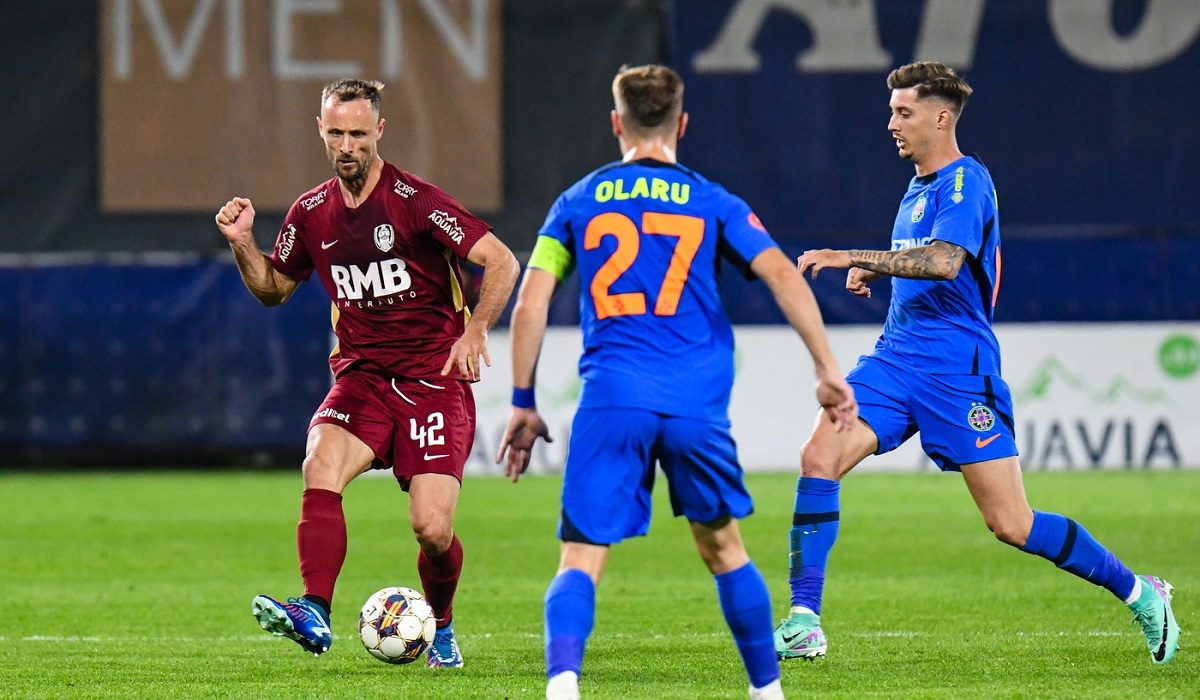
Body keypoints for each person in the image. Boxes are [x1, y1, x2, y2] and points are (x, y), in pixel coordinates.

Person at [773, 61, 1180, 666]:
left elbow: (942, 265)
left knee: (1012, 523)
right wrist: (874, 266)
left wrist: (848, 255)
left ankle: (1140, 592)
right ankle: (804, 618)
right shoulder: (916, 190)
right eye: (891, 112)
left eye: (903, 112)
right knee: (818, 455)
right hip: (893, 362)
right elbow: (916, 262)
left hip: (957, 374)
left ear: (941, 116)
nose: (891, 123)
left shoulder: (967, 182)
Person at [496, 64, 858, 700]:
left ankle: (562, 687)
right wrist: (827, 368)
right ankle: (767, 693)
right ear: (682, 124)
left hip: (612, 399)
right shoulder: (713, 201)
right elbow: (781, 275)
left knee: (580, 557)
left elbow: (531, 302)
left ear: (616, 123)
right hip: (695, 404)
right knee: (725, 550)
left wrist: (523, 402)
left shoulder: (578, 202)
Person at [215, 78, 520, 667]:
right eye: (336, 133)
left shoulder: (416, 201)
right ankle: (314, 610)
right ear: (321, 132)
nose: (347, 144)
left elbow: (501, 260)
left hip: (434, 381)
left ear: (379, 132)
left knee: (432, 529)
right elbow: (273, 288)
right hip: (363, 376)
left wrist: (476, 329)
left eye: (358, 133)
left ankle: (444, 625)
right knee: (319, 463)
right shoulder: (310, 213)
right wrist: (243, 243)